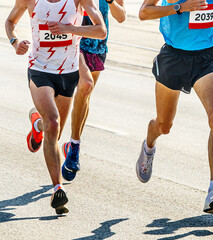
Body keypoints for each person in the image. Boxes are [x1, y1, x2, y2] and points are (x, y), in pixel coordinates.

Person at [136, 0, 213, 214]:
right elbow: (144, 12)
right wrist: (180, 7)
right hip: (174, 56)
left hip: (207, 57)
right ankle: (149, 145)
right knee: (164, 125)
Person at [5, 0, 107, 214]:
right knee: (53, 122)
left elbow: (101, 31)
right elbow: (10, 21)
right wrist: (15, 43)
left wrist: (69, 29)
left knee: (54, 130)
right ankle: (57, 188)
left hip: (68, 73)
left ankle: (37, 124)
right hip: (40, 69)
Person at [61, 0, 126, 182]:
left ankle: (73, 146)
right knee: (80, 87)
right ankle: (69, 142)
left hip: (97, 46)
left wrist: (111, 2)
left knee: (85, 93)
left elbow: (120, 17)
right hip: (73, 42)